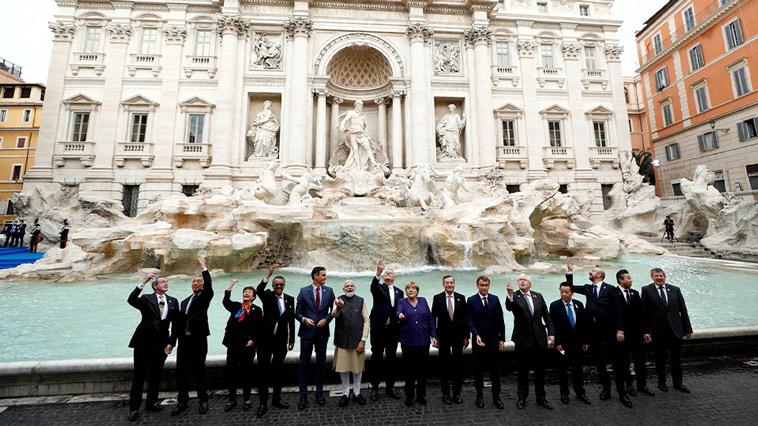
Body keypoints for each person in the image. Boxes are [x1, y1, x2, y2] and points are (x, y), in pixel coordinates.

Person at [566, 258, 628, 404]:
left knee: (616, 362)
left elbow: (620, 310)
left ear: (599, 275)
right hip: (593, 332)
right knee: (599, 363)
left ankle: (622, 392)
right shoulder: (588, 288)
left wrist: (620, 329)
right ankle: (606, 390)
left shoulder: (612, 289)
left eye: (592, 271)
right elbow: (570, 288)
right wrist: (569, 272)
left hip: (610, 331)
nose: (590, 272)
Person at [126, 272, 179, 422]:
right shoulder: (146, 298)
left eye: (167, 282)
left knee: (156, 375)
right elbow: (131, 300)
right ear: (155, 286)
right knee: (139, 376)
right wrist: (144, 280)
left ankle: (151, 403)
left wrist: (171, 342)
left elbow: (176, 326)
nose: (166, 284)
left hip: (162, 343)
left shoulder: (173, 301)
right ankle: (134, 409)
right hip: (143, 341)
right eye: (163, 282)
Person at [171, 256, 214, 416]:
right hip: (184, 342)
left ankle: (203, 400)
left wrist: (204, 267)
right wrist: (172, 341)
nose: (195, 284)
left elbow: (209, 285)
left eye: (198, 282)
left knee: (199, 371)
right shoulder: (184, 302)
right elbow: (177, 324)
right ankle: (182, 401)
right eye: (193, 282)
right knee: (181, 372)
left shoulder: (204, 298)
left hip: (198, 340)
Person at [506, 274, 555, 410]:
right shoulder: (515, 296)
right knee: (523, 371)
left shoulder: (538, 296)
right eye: (519, 280)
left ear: (530, 284)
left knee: (540, 370)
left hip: (539, 339)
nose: (522, 281)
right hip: (522, 340)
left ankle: (541, 398)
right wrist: (509, 294)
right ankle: (522, 397)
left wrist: (551, 333)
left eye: (524, 279)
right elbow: (510, 307)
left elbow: (547, 316)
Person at [641, 268, 692, 393]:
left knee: (676, 359)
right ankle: (662, 383)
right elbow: (644, 313)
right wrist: (646, 331)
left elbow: (683, 310)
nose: (659, 278)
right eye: (656, 276)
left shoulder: (675, 289)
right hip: (658, 331)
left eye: (661, 275)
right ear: (652, 277)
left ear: (665, 277)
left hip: (675, 330)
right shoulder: (647, 290)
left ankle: (678, 383)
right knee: (660, 359)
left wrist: (688, 329)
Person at [295, 266, 336, 410]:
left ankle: (319, 393)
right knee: (304, 365)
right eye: (323, 275)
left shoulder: (329, 291)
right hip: (306, 332)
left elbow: (334, 310)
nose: (325, 277)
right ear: (315, 276)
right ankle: (303, 396)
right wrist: (303, 319)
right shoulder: (303, 291)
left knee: (321, 364)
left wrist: (327, 319)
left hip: (322, 332)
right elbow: (297, 313)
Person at [257, 265, 296, 411]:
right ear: (273, 286)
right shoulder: (267, 296)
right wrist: (268, 275)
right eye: (276, 285)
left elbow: (291, 321)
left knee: (278, 372)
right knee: (263, 372)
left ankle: (276, 399)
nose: (279, 286)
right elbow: (259, 290)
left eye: (281, 284)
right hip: (265, 341)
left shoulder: (290, 299)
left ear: (284, 286)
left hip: (281, 341)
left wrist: (291, 339)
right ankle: (262, 403)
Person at [613, 269, 655, 399]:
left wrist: (646, 331)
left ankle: (642, 385)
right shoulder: (612, 294)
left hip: (637, 335)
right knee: (624, 362)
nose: (631, 280)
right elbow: (612, 315)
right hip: (622, 335)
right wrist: (618, 330)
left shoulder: (635, 293)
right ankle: (629, 385)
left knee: (640, 361)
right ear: (621, 280)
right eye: (628, 278)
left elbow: (641, 314)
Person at [221, 279, 262, 414]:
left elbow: (258, 328)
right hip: (233, 345)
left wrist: (253, 340)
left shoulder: (257, 310)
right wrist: (231, 285)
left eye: (249, 292)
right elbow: (225, 301)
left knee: (246, 374)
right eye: (245, 292)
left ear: (253, 296)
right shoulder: (236, 306)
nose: (246, 293)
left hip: (247, 347)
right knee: (231, 373)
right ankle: (232, 400)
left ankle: (247, 400)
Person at [466, 276, 505, 409]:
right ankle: (479, 396)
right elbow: (469, 320)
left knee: (495, 370)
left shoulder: (495, 299)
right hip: (479, 340)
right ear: (477, 285)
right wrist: (475, 334)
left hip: (494, 340)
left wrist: (502, 338)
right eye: (482, 285)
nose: (484, 287)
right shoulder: (471, 300)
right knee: (478, 370)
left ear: (489, 286)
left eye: (486, 285)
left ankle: (496, 397)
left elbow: (500, 319)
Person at [549, 282, 591, 405]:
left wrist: (585, 341)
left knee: (578, 369)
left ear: (572, 292)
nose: (564, 294)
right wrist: (557, 343)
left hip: (578, 344)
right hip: (562, 345)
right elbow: (553, 326)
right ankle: (564, 393)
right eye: (561, 291)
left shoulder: (579, 304)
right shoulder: (555, 305)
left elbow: (584, 324)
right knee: (563, 369)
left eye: (566, 292)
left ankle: (580, 392)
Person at [368, 260, 404, 401]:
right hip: (378, 329)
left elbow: (400, 309)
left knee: (391, 359)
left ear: (394, 277)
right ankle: (375, 388)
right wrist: (377, 273)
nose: (389, 273)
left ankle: (390, 387)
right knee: (376, 358)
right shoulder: (379, 287)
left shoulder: (399, 291)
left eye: (391, 272)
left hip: (393, 331)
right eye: (387, 272)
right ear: (383, 276)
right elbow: (372, 286)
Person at [396, 281, 436, 407]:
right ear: (406, 291)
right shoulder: (402, 302)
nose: (411, 290)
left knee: (422, 371)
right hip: (408, 342)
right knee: (409, 371)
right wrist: (400, 315)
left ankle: (421, 395)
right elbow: (398, 312)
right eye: (408, 288)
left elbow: (430, 318)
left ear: (417, 291)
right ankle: (409, 396)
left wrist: (433, 335)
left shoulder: (423, 301)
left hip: (423, 341)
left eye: (413, 288)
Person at [431, 275, 469, 404]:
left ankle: (457, 393)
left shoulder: (461, 298)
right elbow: (433, 318)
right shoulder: (437, 298)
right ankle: (446, 393)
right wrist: (434, 336)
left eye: (451, 283)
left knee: (458, 366)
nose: (449, 285)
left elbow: (466, 319)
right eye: (447, 283)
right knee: (444, 366)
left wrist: (466, 336)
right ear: (443, 285)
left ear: (454, 284)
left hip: (458, 337)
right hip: (443, 338)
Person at [332, 279, 370, 407]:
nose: (349, 288)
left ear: (355, 287)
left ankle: (357, 393)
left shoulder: (361, 300)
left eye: (351, 286)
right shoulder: (338, 300)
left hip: (357, 341)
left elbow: (366, 321)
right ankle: (345, 393)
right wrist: (338, 307)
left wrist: (363, 340)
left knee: (358, 369)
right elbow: (334, 315)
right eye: (346, 286)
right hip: (342, 341)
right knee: (343, 369)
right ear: (343, 289)